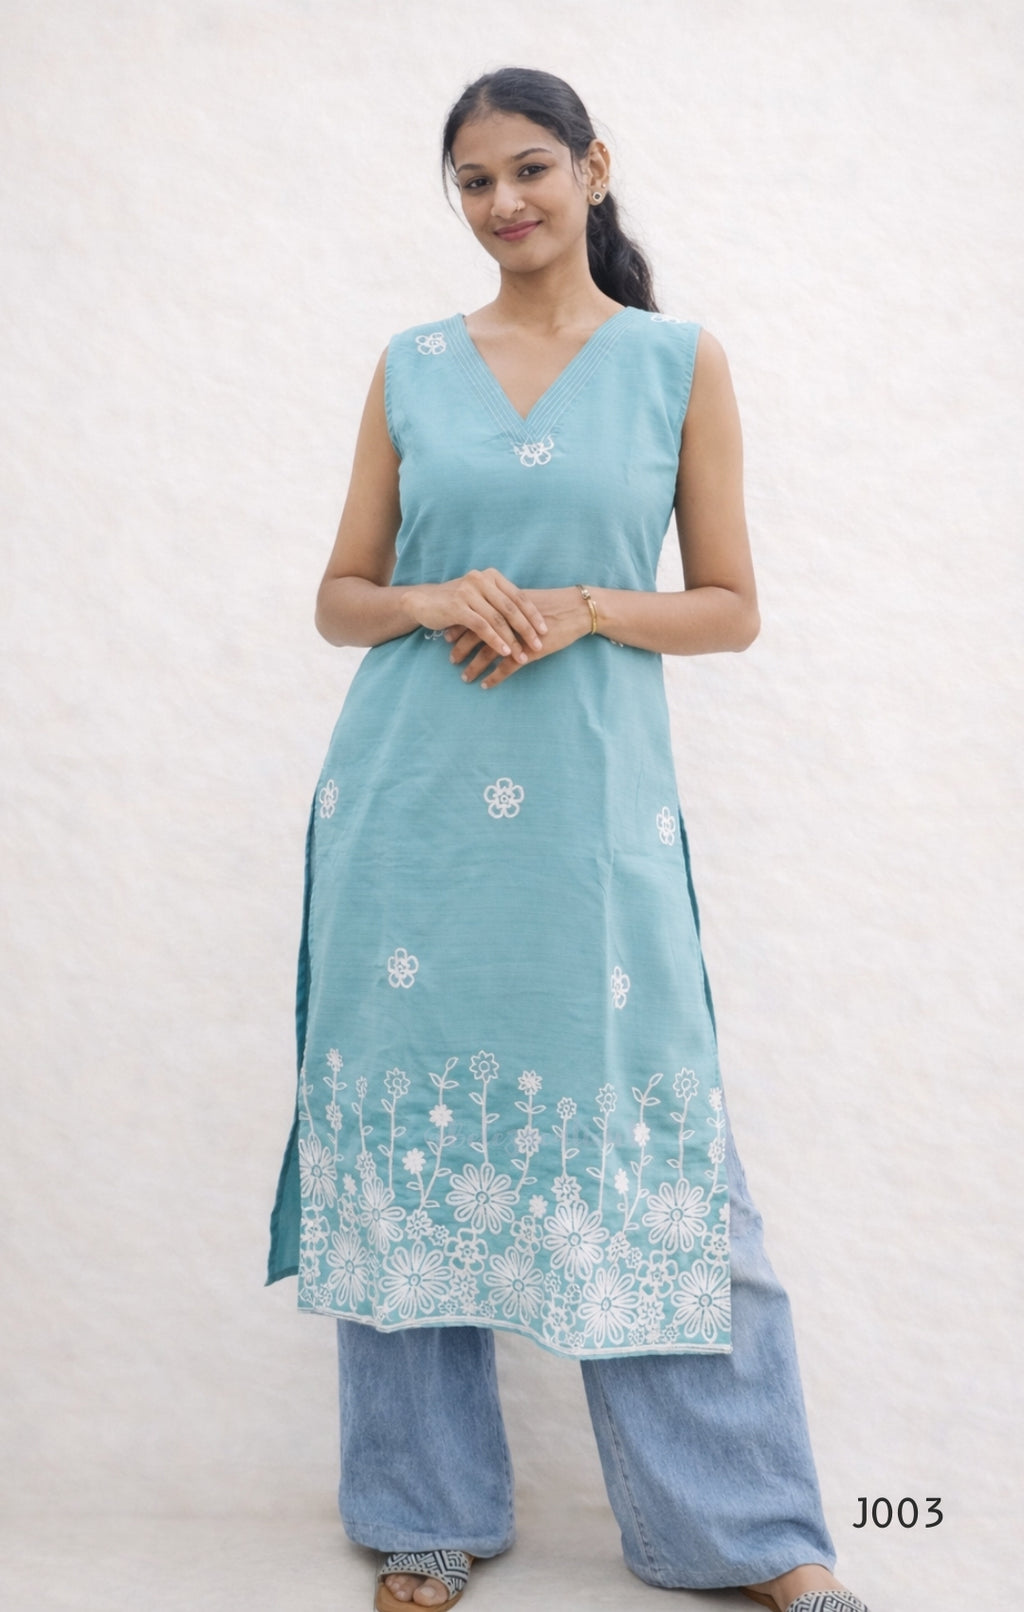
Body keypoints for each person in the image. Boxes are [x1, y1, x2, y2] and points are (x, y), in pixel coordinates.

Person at [266, 66, 871, 1612]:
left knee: (663, 1161)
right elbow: (339, 595)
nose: (505, 205)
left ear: (596, 169)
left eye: (530, 170)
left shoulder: (676, 361)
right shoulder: (411, 363)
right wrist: (429, 595)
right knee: (406, 1144)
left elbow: (731, 608)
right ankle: (423, 1516)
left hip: (591, 815)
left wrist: (579, 609)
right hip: (407, 814)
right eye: (473, 183)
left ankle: (748, 1533)